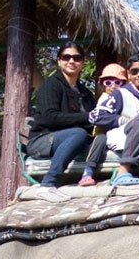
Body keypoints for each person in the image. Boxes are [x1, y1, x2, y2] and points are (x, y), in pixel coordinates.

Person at [81, 54, 139, 186]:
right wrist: (123, 121)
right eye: (135, 71)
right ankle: (123, 171)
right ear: (129, 74)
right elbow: (96, 116)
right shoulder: (121, 94)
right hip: (121, 137)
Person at [26, 41, 95, 189]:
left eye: (77, 58)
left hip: (76, 139)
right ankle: (49, 181)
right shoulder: (51, 85)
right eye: (66, 57)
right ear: (59, 61)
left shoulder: (86, 94)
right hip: (43, 139)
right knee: (78, 133)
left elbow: (92, 122)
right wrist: (87, 117)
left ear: (82, 62)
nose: (71, 61)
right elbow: (49, 117)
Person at [78, 62, 127, 186]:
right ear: (103, 85)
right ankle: (88, 172)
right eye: (108, 83)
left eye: (117, 82)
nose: (113, 86)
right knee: (100, 139)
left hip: (118, 135)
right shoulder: (105, 98)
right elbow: (101, 117)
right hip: (103, 132)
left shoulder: (126, 98)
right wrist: (120, 119)